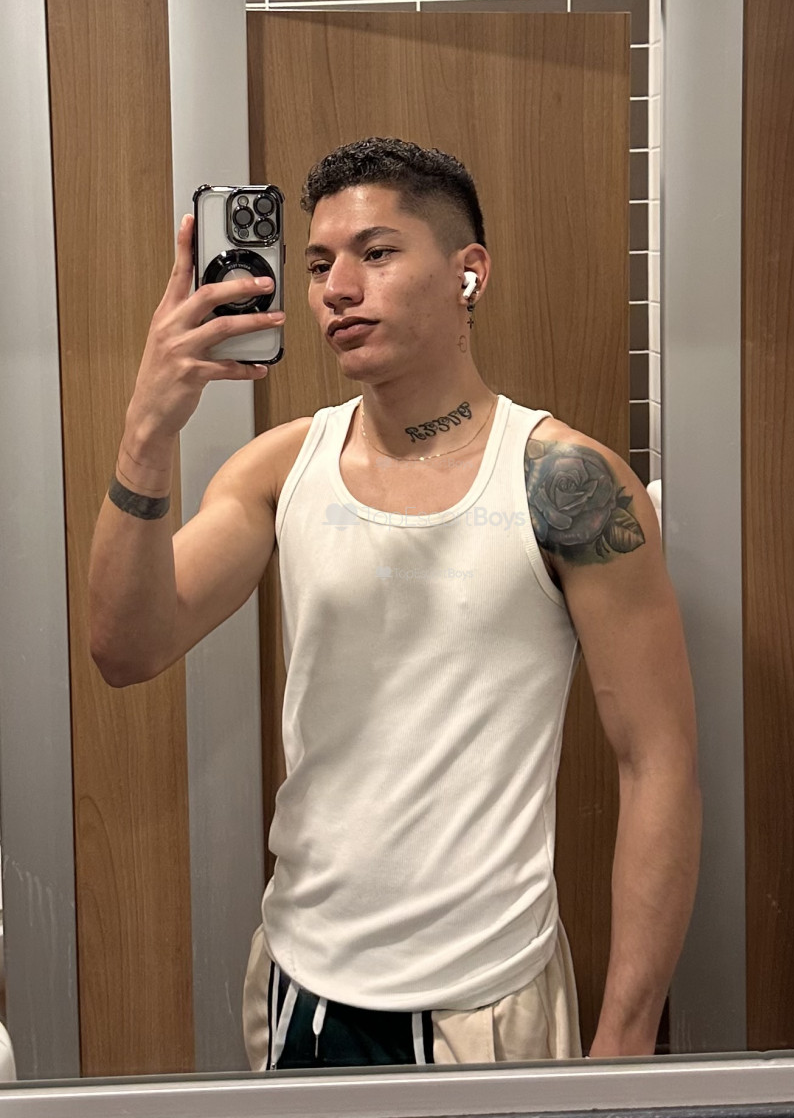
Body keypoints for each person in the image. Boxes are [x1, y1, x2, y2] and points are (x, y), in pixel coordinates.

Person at [89, 137, 700, 1070]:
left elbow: (656, 763)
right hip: (298, 981)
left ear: (467, 273)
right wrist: (147, 429)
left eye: (375, 253)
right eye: (318, 264)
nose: (337, 288)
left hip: (484, 1001)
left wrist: (624, 1039)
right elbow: (125, 648)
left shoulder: (564, 482)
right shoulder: (280, 468)